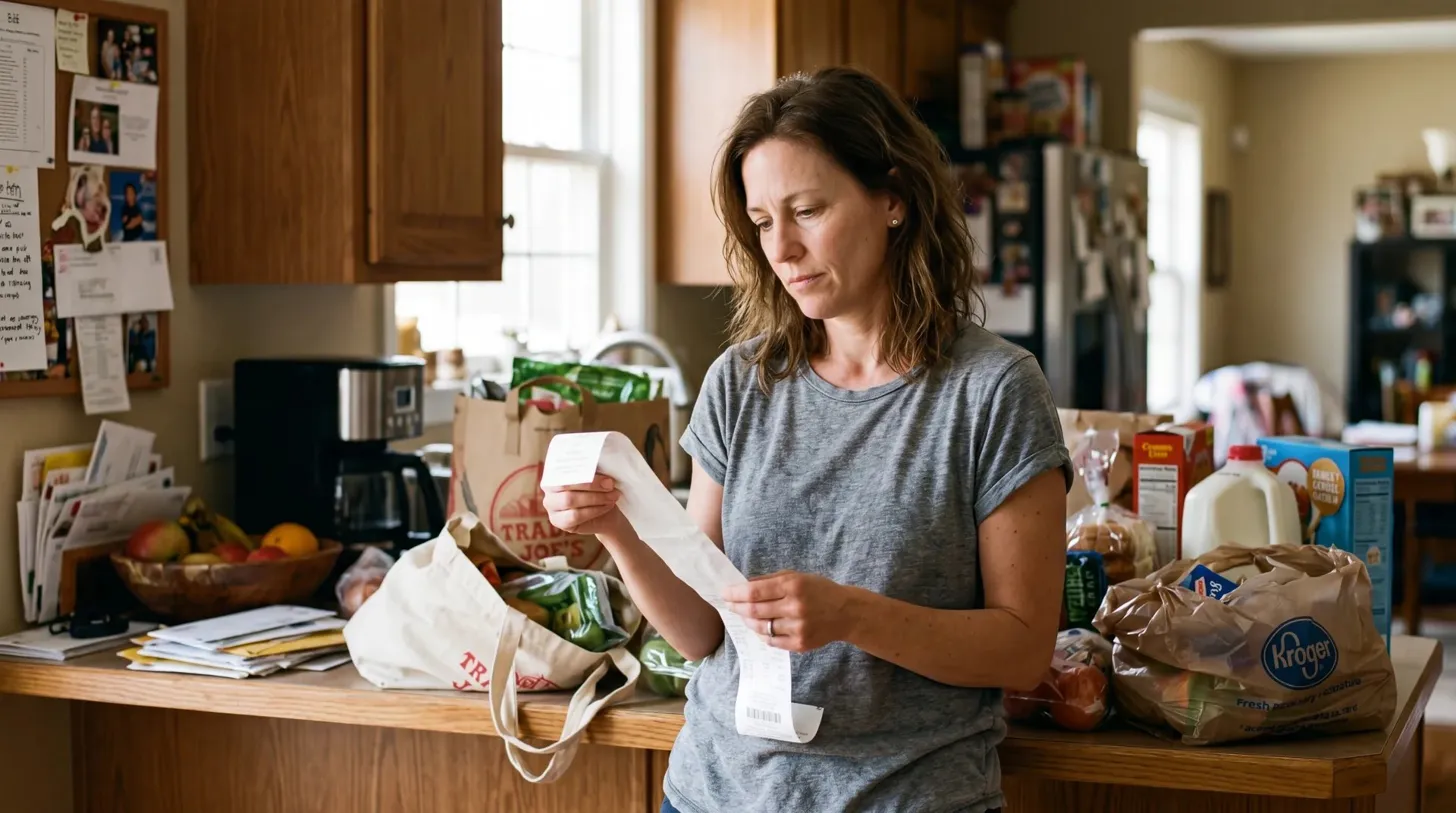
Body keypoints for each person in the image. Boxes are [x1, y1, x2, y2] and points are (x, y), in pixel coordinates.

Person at [544, 66, 1071, 813]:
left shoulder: (992, 390)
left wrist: (853, 614)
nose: (782, 248)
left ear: (892, 198)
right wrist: (618, 530)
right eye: (761, 221)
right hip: (713, 795)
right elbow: (700, 631)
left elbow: (1022, 651)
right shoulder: (740, 382)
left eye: (807, 209)